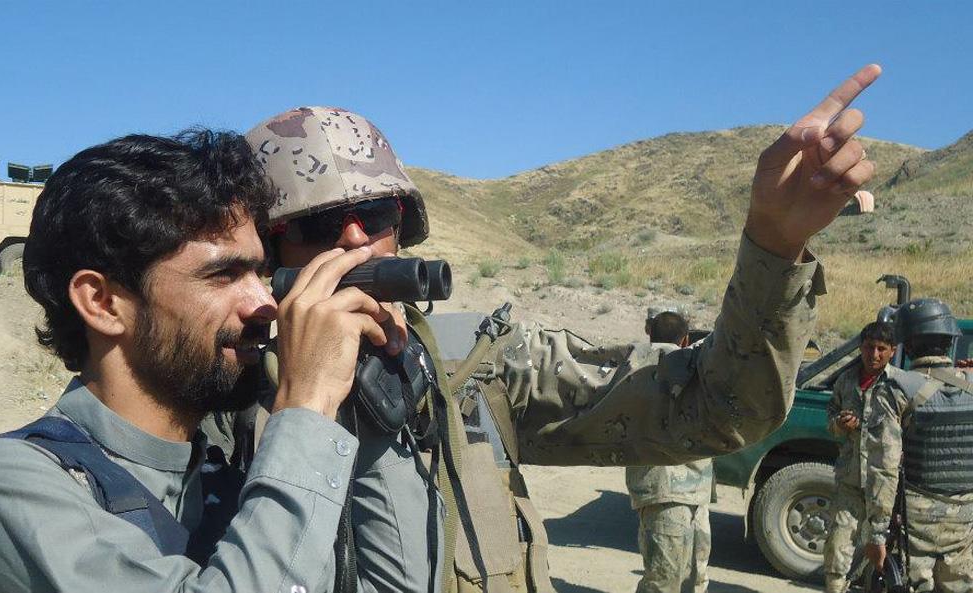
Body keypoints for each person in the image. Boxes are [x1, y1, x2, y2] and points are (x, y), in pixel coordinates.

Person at [241, 63, 882, 592]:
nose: (355, 238)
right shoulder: (218, 400)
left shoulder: (476, 366)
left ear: (402, 226)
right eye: (320, 225)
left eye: (376, 212)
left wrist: (774, 243)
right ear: (267, 251)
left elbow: (721, 408)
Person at [0, 130, 401, 592]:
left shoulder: (219, 476)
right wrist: (308, 404)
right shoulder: (18, 486)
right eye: (224, 274)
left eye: (258, 270)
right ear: (103, 303)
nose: (265, 302)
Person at [863, 299, 973, 593]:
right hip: (966, 520)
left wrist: (877, 535)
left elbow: (883, 468)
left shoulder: (896, 390)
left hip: (915, 521)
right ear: (950, 341)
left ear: (907, 346)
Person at [626, 310, 713, 593]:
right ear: (686, 339)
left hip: (675, 488)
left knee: (681, 579)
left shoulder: (632, 368)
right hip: (671, 489)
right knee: (669, 582)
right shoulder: (698, 366)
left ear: (649, 333)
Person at [821, 321, 899, 593]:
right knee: (836, 547)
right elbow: (831, 413)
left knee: (883, 556)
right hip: (850, 482)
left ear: (892, 351)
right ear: (860, 348)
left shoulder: (899, 386)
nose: (874, 355)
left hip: (886, 489)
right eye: (868, 347)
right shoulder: (846, 381)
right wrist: (840, 425)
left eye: (881, 349)